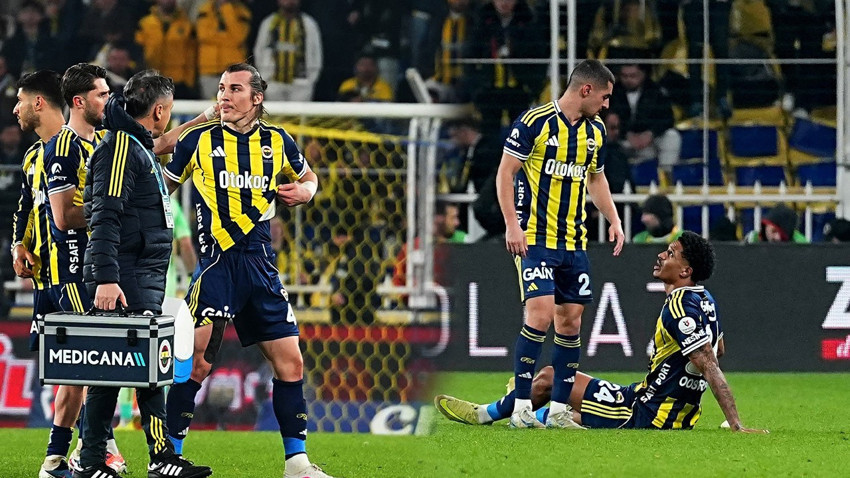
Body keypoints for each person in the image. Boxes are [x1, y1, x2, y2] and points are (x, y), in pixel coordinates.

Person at [162, 62, 333, 478]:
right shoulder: (198, 139)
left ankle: (297, 463)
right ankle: (168, 456)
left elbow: (310, 177)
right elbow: (161, 187)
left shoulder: (278, 141)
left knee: (291, 363)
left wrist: (306, 191)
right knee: (196, 364)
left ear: (257, 98)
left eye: (235, 88)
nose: (225, 95)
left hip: (260, 264)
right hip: (217, 264)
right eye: (221, 88)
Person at [436, 231, 769, 434]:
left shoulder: (680, 304)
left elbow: (709, 362)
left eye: (670, 253)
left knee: (550, 378)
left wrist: (736, 423)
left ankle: (487, 413)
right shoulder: (705, 300)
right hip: (660, 407)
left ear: (685, 270)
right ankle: (534, 409)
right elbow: (718, 350)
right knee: (561, 398)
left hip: (646, 413)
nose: (661, 255)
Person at [76, 71, 212, 478]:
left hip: (140, 273)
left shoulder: (135, 144)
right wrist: (106, 278)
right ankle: (93, 460)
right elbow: (104, 215)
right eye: (168, 111)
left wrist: (203, 119)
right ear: (159, 110)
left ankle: (159, 457)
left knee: (147, 366)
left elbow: (162, 144)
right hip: (125, 274)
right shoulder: (121, 147)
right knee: (112, 370)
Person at [495, 59, 624, 429]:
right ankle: (521, 409)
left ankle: (556, 411)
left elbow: (596, 179)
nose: (606, 105)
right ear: (586, 89)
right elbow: (505, 172)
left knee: (570, 322)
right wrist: (512, 226)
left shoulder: (595, 131)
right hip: (535, 238)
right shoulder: (534, 122)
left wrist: (614, 219)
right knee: (539, 315)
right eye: (604, 97)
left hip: (573, 242)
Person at [41, 63, 127, 477]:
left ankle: (66, 455)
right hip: (72, 271)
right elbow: (62, 216)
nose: (108, 100)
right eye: (101, 94)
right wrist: (112, 210)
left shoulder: (103, 142)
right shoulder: (62, 147)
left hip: (95, 268)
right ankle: (80, 453)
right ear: (79, 101)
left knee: (89, 367)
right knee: (89, 364)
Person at [10, 69, 74, 478]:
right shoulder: (33, 156)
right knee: (64, 368)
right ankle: (96, 446)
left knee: (79, 364)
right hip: (45, 279)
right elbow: (24, 206)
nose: (14, 110)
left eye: (20, 101)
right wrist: (18, 244)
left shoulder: (81, 148)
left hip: (75, 277)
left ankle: (64, 454)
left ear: (38, 102)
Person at [609, 63, 680, 172]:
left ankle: (666, 174)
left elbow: (667, 119)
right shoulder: (612, 92)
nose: (628, 80)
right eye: (624, 76)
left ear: (643, 74)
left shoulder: (655, 91)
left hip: (649, 142)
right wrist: (626, 134)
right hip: (622, 142)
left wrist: (650, 134)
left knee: (672, 136)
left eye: (633, 76)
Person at [253, 0, 323, 101]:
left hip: (301, 83)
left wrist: (311, 79)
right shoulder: (269, 22)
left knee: (299, 112)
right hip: (273, 81)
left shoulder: (308, 24)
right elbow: (259, 50)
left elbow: (316, 52)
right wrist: (264, 76)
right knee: (275, 111)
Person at [195, 0, 252, 99]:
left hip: (234, 72)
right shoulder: (204, 10)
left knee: (234, 105)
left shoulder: (242, 11)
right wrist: (227, 37)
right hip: (209, 69)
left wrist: (226, 9)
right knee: (210, 107)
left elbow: (238, 37)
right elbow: (203, 35)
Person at [744, 203, 809, 244]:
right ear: (766, 225)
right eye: (773, 231)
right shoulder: (752, 240)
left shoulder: (801, 244)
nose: (777, 237)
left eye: (783, 237)